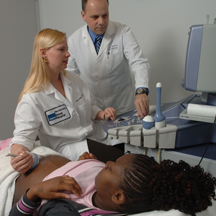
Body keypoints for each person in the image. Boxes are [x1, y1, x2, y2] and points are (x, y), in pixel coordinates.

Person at [9, 28, 123, 174]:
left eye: (67, 49)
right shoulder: (32, 98)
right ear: (43, 53)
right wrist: (20, 155)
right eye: (61, 49)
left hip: (95, 137)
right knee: (124, 163)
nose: (68, 54)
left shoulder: (73, 79)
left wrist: (102, 114)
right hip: (70, 150)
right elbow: (22, 137)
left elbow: (90, 106)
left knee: (131, 150)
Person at [9, 152, 216, 216]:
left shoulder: (66, 211)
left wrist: (34, 193)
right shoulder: (108, 192)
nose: (106, 163)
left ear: (118, 196)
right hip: (40, 157)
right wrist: (87, 163)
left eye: (111, 167)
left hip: (9, 179)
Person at [67, 0, 150, 119]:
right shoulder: (74, 41)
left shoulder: (123, 32)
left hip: (123, 107)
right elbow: (70, 79)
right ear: (83, 15)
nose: (101, 22)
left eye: (105, 15)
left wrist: (141, 90)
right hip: (95, 111)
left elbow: (138, 61)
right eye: (95, 17)